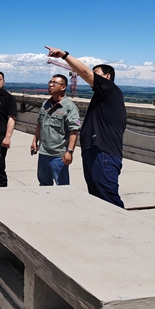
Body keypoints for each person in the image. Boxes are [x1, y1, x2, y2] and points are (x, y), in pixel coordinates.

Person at [44, 45, 126, 208]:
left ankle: (124, 224)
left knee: (108, 198)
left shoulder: (110, 89)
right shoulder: (101, 97)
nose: (92, 76)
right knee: (97, 198)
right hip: (94, 151)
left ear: (107, 77)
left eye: (97, 73)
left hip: (104, 153)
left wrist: (64, 56)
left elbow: (85, 73)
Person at [30, 74, 81, 186]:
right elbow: (40, 124)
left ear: (63, 87)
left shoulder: (69, 107)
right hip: (44, 153)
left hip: (58, 156)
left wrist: (69, 152)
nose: (51, 85)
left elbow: (74, 131)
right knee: (44, 184)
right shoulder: (46, 104)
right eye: (50, 82)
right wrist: (34, 141)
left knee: (62, 186)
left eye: (54, 83)